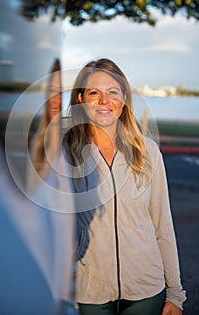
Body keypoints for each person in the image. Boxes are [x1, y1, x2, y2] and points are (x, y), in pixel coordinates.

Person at [60, 58, 186, 315]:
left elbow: (163, 224)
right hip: (88, 293)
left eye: (113, 93)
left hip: (146, 290)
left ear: (124, 99)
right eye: (94, 92)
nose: (104, 101)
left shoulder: (147, 151)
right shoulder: (65, 153)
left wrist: (174, 292)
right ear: (81, 99)